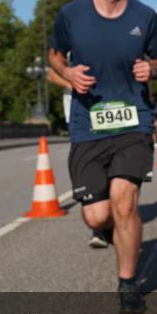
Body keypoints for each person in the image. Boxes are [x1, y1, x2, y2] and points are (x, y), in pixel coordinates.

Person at [48, 0, 157, 314]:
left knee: (125, 201)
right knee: (97, 215)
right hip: (88, 125)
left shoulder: (145, 17)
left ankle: (128, 283)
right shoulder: (71, 15)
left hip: (134, 122)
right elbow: (53, 55)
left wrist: (153, 69)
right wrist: (67, 72)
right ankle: (106, 232)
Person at [48, 65, 114, 249]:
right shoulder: (69, 48)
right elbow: (51, 74)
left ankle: (110, 216)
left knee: (112, 163)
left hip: (108, 109)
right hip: (79, 116)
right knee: (92, 167)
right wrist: (70, 83)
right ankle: (99, 226)